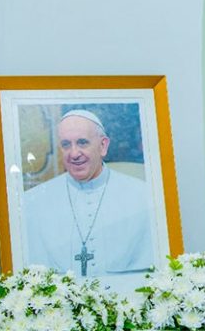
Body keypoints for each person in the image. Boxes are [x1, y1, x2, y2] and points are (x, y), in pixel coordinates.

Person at [24, 109, 155, 289]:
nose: (74, 153)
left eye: (82, 142)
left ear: (103, 146)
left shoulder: (143, 195)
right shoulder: (33, 202)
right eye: (66, 144)